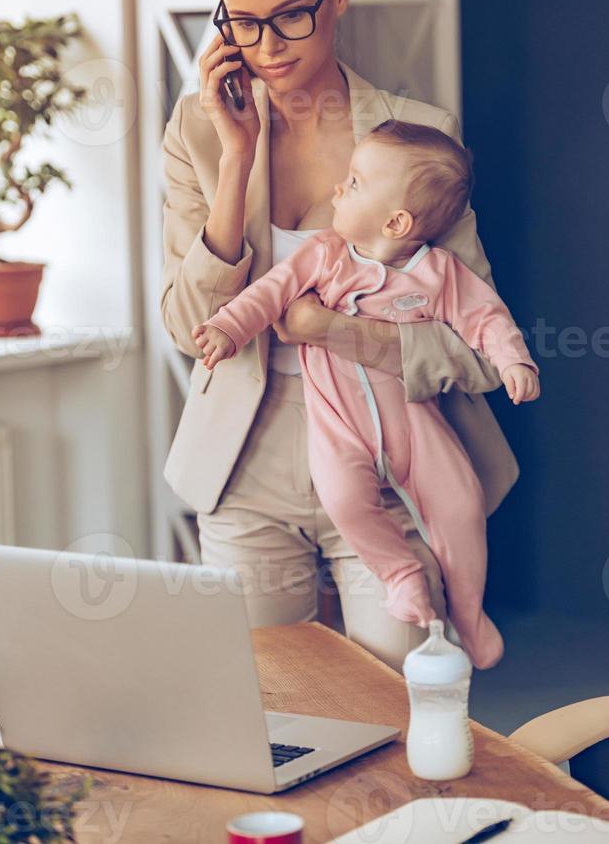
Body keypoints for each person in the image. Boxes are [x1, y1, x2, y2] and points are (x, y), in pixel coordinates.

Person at [160, 0, 522, 673]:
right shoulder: (197, 130)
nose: (266, 46)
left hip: (391, 459)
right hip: (244, 464)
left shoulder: (416, 134)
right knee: (265, 711)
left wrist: (339, 332)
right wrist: (234, 160)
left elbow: (478, 352)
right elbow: (185, 321)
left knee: (400, 700)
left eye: (291, 15)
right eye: (242, 23)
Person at [192, 119, 540, 670]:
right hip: (337, 427)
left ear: (397, 220)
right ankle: (398, 572)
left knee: (461, 504)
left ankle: (469, 613)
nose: (338, 189)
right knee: (346, 499)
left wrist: (513, 358)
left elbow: (485, 319)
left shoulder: (437, 272)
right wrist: (229, 327)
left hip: (416, 423)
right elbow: (268, 294)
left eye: (353, 184)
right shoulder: (325, 256)